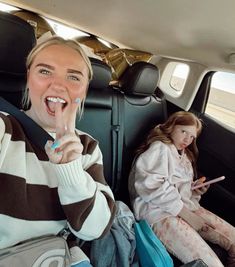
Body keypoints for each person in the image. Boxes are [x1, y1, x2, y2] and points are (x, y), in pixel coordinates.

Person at [0, 36, 116, 266]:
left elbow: (96, 229)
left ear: (83, 91)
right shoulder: (5, 128)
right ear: (29, 78)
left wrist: (70, 170)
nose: (58, 85)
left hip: (55, 256)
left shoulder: (88, 147)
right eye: (44, 71)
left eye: (73, 77)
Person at [128, 111, 235, 267]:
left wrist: (193, 191)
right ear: (171, 127)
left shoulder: (185, 157)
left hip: (186, 207)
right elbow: (151, 186)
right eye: (183, 131)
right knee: (211, 264)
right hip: (159, 213)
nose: (187, 139)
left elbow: (179, 189)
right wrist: (187, 215)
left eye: (192, 137)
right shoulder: (160, 148)